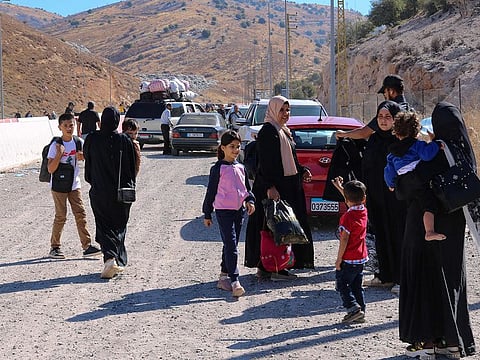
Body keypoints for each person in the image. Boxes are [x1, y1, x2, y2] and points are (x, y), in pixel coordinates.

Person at [399, 102, 476, 358]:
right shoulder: (464, 152)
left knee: (426, 281)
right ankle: (454, 342)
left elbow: (410, 184)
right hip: (453, 225)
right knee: (453, 281)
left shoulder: (438, 152)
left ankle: (428, 342)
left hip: (425, 226)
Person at [244, 95, 314, 280]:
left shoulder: (284, 131)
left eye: (288, 110)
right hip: (275, 188)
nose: (285, 114)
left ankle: (270, 266)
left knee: (279, 226)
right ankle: (274, 267)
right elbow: (265, 164)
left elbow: (288, 160)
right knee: (275, 227)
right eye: (282, 110)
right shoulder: (269, 131)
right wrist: (270, 187)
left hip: (288, 186)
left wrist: (301, 170)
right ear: (273, 110)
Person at [84, 106, 137, 279]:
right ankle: (115, 259)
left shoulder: (92, 139)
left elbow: (88, 166)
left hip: (100, 191)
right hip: (121, 193)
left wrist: (96, 181)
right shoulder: (125, 140)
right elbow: (131, 168)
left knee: (104, 224)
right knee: (119, 225)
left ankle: (111, 259)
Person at [202, 131, 255, 297]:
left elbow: (246, 189)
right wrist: (207, 213)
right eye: (232, 147)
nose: (235, 150)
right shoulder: (218, 169)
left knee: (231, 244)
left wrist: (250, 201)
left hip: (238, 212)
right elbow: (210, 192)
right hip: (223, 212)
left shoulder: (241, 168)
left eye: (238, 147)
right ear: (223, 148)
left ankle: (223, 276)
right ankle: (234, 280)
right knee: (231, 245)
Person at [361, 101, 407, 292]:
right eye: (380, 116)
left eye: (388, 117)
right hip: (376, 197)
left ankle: (400, 278)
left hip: (396, 199)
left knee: (398, 235)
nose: (383, 121)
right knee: (380, 234)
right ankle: (384, 275)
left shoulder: (400, 141)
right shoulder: (374, 140)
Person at [46, 112, 101, 259]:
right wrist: (59, 154)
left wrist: (83, 157)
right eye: (65, 126)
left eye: (71, 125)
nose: (69, 128)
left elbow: (87, 160)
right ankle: (55, 247)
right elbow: (50, 169)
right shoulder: (55, 145)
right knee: (61, 216)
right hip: (58, 186)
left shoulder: (78, 143)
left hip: (74, 185)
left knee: (80, 214)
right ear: (60, 127)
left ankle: (87, 246)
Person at [384, 110, 445, 241]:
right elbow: (427, 155)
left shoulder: (392, 153)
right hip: (417, 181)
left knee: (413, 207)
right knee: (429, 205)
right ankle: (429, 231)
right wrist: (436, 144)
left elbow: (388, 171)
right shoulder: (417, 145)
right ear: (416, 131)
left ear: (396, 132)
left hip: (402, 187)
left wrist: (391, 184)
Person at [331, 177, 368, 324]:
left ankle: (353, 308)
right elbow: (352, 201)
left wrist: (339, 259)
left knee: (342, 284)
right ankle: (361, 310)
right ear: (364, 198)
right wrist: (341, 188)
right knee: (356, 285)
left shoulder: (347, 217)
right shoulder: (363, 211)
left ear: (346, 199)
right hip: (361, 257)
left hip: (348, 258)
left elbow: (344, 240)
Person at [336, 74, 411, 140]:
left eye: (385, 92)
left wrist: (343, 134)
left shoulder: (390, 110)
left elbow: (363, 133)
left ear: (391, 91)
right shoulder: (408, 110)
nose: (384, 95)